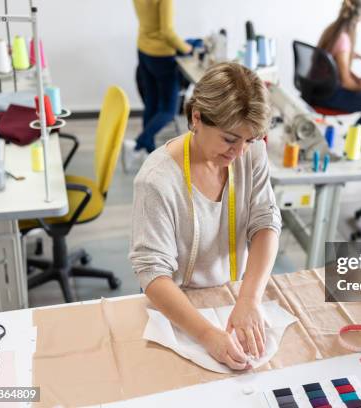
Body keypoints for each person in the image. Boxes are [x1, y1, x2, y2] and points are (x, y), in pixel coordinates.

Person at [129, 62, 281, 370]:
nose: (239, 152)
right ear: (196, 117)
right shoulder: (157, 180)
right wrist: (205, 334)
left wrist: (250, 299)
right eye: (229, 139)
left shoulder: (252, 153)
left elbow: (265, 221)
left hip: (233, 293)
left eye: (249, 140)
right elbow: (152, 274)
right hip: (178, 307)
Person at [123, 0, 193, 172]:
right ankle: (138, 145)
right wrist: (187, 48)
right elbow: (167, 32)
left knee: (152, 103)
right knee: (169, 110)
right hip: (161, 56)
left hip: (144, 50)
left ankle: (148, 150)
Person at [314, 0, 361, 130]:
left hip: (320, 89)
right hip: (329, 96)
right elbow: (346, 82)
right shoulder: (344, 39)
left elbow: (340, 70)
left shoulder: (331, 30)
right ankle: (357, 138)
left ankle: (357, 136)